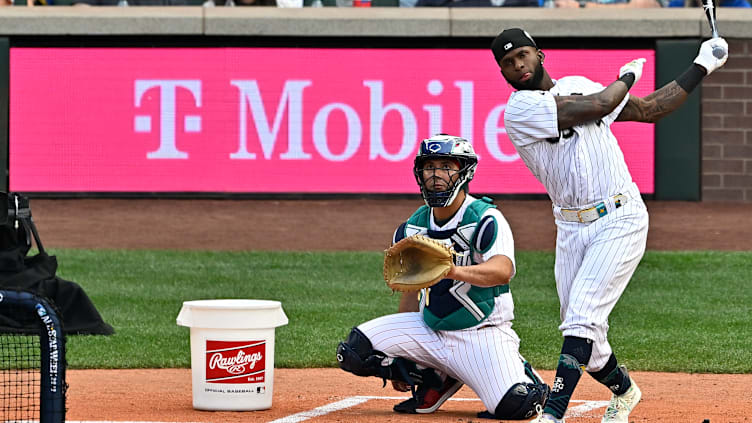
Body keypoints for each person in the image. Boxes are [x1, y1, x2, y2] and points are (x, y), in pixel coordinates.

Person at [490, 28, 728, 423]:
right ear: (502, 72)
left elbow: (651, 109)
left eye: (524, 56)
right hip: (569, 227)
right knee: (587, 336)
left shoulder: (578, 85)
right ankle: (624, 391)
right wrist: (628, 75)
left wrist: (702, 64)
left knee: (582, 317)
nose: (518, 66)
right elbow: (601, 103)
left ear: (540, 54)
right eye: (508, 63)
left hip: (620, 216)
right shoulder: (518, 111)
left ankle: (552, 415)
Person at [336, 133, 549, 420]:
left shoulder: (485, 218)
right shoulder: (412, 229)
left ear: (465, 172)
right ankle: (433, 379)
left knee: (517, 406)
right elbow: (410, 290)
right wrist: (402, 359)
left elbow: (502, 271)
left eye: (446, 167)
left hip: (481, 333)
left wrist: (452, 271)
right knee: (353, 351)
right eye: (430, 167)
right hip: (429, 329)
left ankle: (522, 376)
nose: (436, 175)